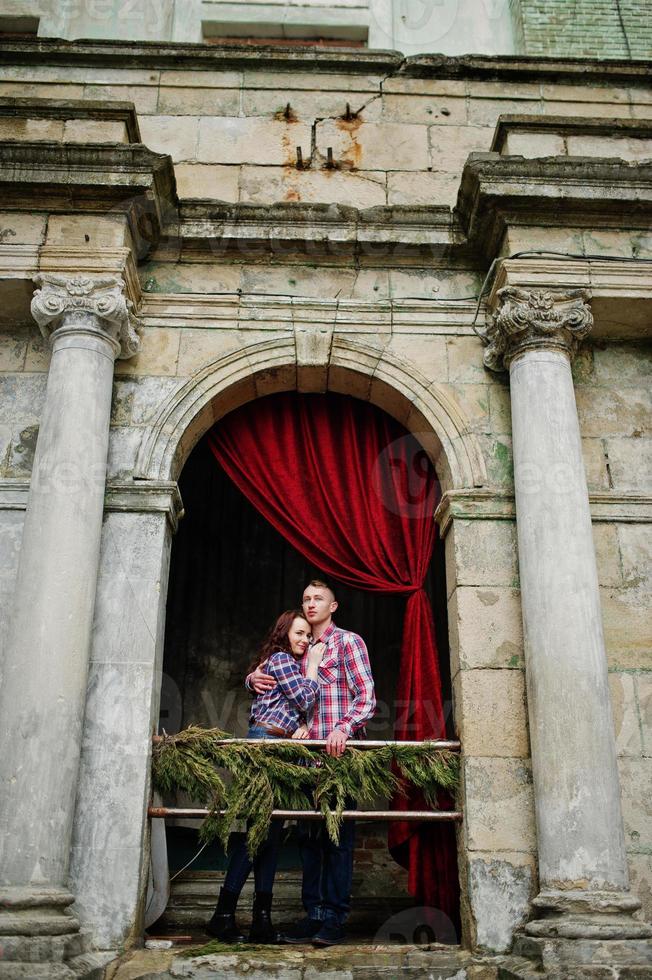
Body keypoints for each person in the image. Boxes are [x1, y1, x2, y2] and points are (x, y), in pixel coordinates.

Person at [248, 579, 376, 946]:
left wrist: (344, 728)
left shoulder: (348, 642)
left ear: (333, 606)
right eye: (305, 598)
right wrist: (251, 678)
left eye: (319, 598)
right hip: (303, 758)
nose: (311, 603)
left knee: (338, 837)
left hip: (336, 756)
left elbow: (366, 695)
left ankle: (335, 918)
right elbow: (275, 675)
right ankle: (314, 914)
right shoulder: (300, 647)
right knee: (308, 837)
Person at [206, 610, 325, 944]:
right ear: (284, 633)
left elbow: (292, 707)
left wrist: (299, 726)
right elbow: (304, 698)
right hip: (268, 745)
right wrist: (313, 668)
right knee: (259, 832)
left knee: (271, 833)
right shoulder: (282, 660)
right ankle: (223, 915)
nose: (304, 640)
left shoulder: (282, 664)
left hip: (279, 744)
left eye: (308, 636)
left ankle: (261, 921)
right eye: (299, 634)